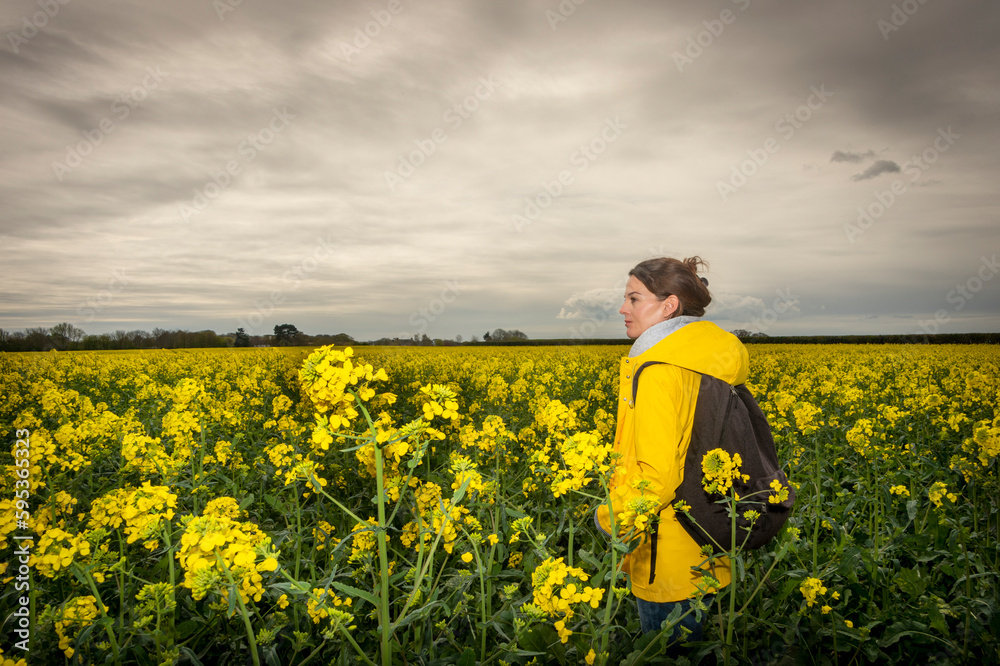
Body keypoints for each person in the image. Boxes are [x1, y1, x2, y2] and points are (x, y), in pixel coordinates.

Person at [595, 256, 749, 643]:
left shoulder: (658, 371)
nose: (623, 308)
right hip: (707, 545)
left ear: (669, 305)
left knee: (667, 653)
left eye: (633, 298)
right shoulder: (704, 361)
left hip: (665, 559)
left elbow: (657, 479)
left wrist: (609, 519)